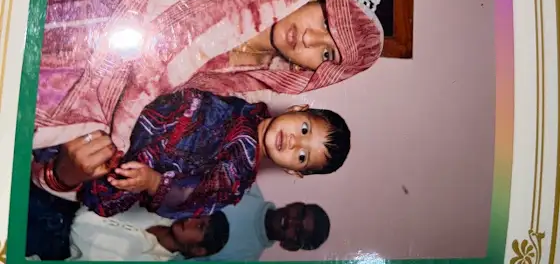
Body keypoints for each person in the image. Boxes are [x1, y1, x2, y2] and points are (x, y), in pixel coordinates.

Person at [33, 0, 383, 159]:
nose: (309, 38)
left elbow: (156, 97)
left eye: (326, 53)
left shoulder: (241, 80)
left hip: (67, 71)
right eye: (325, 23)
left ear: (311, 71)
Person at [32, 89, 351, 221]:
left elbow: (193, 198)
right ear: (299, 108)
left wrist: (153, 182)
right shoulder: (243, 103)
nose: (294, 143)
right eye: (305, 130)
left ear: (294, 172)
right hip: (126, 105)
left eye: (302, 157)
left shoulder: (236, 180)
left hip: (126, 155)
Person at [194, 183, 330, 261]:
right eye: (299, 213)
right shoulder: (247, 184)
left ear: (290, 246)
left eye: (298, 231)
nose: (291, 221)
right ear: (296, 203)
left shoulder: (245, 259)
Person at [68, 206, 229, 261]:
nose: (190, 220)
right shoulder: (159, 208)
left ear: (198, 250)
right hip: (68, 199)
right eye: (197, 216)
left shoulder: (146, 258)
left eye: (199, 226)